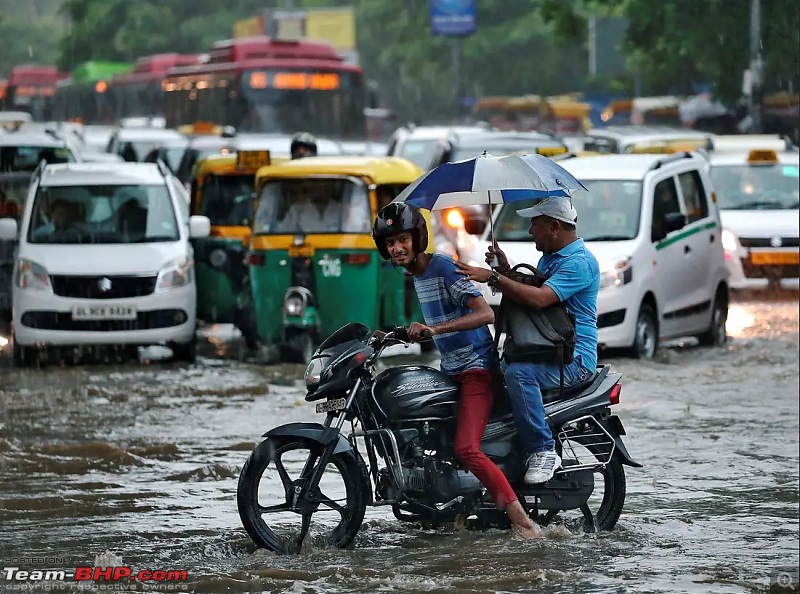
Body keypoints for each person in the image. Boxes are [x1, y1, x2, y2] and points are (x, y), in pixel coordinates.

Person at [372, 202, 542, 540]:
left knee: (466, 448)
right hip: (450, 368)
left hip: (477, 368)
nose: (397, 248)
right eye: (390, 243)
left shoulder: (444, 268)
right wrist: (392, 334)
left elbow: (484, 314)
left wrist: (435, 331)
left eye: (402, 240)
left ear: (418, 238)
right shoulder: (417, 274)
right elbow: (434, 321)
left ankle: (523, 522)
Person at [454, 197, 599, 485]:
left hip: (574, 360)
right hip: (547, 350)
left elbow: (541, 298)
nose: (531, 230)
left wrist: (494, 278)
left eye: (535, 223)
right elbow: (531, 290)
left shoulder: (579, 263)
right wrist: (506, 270)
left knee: (519, 375)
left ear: (554, 227)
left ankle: (543, 449)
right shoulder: (552, 259)